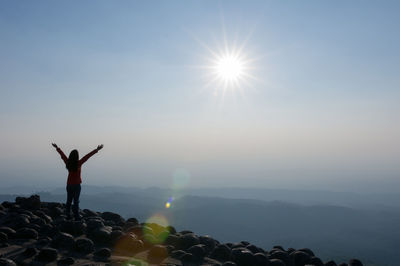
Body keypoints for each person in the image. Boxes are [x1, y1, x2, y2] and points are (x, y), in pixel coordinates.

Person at [52, 143, 103, 220]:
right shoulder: (79, 163)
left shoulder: (68, 162)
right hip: (76, 185)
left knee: (69, 201)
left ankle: (68, 215)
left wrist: (57, 148)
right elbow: (87, 156)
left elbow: (62, 155)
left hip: (69, 185)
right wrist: (97, 149)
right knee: (76, 201)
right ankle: (76, 216)